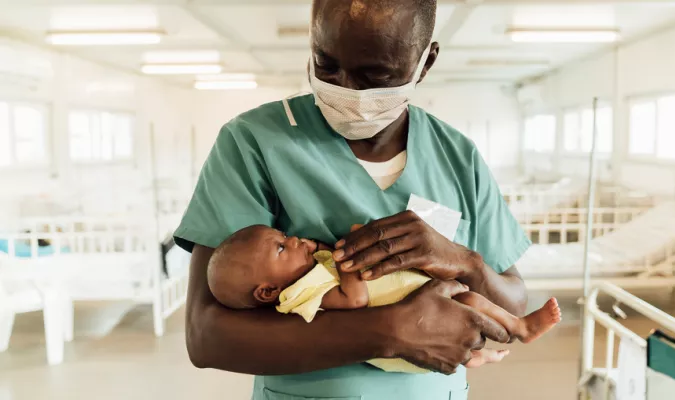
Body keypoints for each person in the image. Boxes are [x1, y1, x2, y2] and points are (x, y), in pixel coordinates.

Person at [174, 0, 534, 398]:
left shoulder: (457, 157)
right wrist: (391, 331)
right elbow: (206, 336)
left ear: (425, 62)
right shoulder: (254, 142)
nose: (344, 90)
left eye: (374, 75)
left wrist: (463, 261)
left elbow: (514, 307)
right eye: (326, 64)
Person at [206, 225, 561, 373]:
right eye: (282, 247)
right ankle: (505, 338)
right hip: (405, 336)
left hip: (423, 300)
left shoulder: (309, 271)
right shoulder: (302, 294)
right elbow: (355, 299)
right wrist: (347, 257)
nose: (296, 239)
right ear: (268, 291)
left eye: (285, 235)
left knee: (467, 300)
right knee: (464, 307)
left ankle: (514, 328)